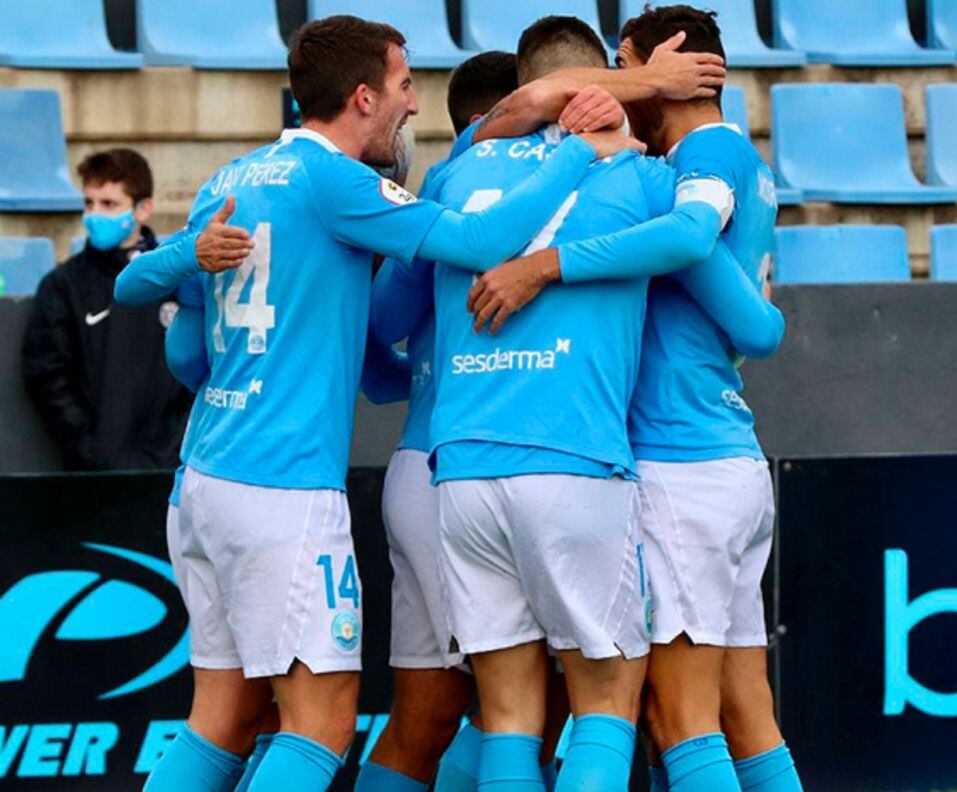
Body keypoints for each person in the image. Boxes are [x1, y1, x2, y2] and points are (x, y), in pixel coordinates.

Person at [118, 15, 638, 792]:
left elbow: (176, 342)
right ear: (362, 96)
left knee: (222, 717)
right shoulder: (338, 182)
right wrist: (574, 152)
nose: (413, 107)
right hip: (283, 489)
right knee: (321, 726)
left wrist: (201, 278)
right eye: (402, 87)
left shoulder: (232, 179)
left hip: (204, 476)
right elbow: (479, 239)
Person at [468, 6, 801, 791]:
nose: (621, 84)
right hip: (719, 455)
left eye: (629, 64)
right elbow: (757, 325)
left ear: (678, 64)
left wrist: (545, 265)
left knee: (677, 719)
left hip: (678, 465)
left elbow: (689, 239)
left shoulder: (705, 153)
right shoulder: (710, 160)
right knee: (742, 710)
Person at [423, 16, 696, 792]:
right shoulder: (641, 179)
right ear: (603, 84)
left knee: (508, 713)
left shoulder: (457, 170)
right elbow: (702, 245)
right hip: (573, 461)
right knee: (607, 699)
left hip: (465, 468)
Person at [355, 50, 520, 792]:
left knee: (427, 713)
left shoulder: (439, 186)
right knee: (519, 706)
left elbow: (383, 318)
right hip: (483, 472)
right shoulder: (521, 181)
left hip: (418, 471)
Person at [21, 148, 192, 471]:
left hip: (169, 471)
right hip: (91, 477)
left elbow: (199, 369)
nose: (95, 214)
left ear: (144, 209)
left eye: (109, 204)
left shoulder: (179, 280)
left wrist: (170, 448)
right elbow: (47, 376)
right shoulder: (62, 285)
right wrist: (91, 448)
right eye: (89, 203)